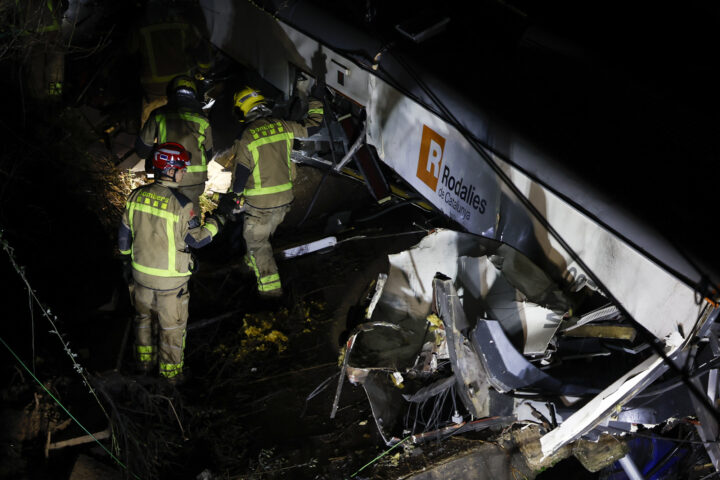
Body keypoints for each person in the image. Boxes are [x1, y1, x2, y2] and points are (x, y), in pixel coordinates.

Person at [118, 142, 222, 383]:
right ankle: (170, 380)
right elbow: (197, 240)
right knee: (171, 331)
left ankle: (144, 366)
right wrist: (218, 222)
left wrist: (125, 262)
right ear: (171, 170)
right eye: (181, 168)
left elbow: (123, 236)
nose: (184, 172)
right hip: (170, 285)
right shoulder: (182, 204)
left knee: (144, 322)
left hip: (140, 278)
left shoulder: (135, 196)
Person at [216, 85, 324, 298]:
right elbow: (313, 127)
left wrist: (233, 197)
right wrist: (316, 100)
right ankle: (251, 265)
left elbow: (241, 175)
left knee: (257, 243)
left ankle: (271, 293)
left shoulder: (247, 136)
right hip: (284, 199)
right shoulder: (282, 125)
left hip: (260, 204)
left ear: (243, 111)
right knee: (261, 238)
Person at [128, 0, 213, 124]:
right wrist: (204, 70)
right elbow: (202, 53)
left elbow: (130, 50)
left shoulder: (140, 26)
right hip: (180, 87)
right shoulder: (185, 24)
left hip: (153, 90)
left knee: (151, 128)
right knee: (185, 127)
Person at [136, 75, 213, 208]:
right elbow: (209, 155)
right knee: (190, 215)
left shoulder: (159, 114)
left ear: (171, 93)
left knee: (164, 214)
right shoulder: (203, 120)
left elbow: (142, 151)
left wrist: (156, 152)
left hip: (166, 176)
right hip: (195, 181)